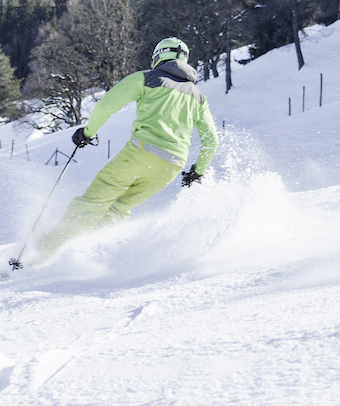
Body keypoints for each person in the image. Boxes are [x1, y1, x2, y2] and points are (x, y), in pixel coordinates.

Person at [39, 37, 219, 254]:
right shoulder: (198, 97)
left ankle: (43, 251)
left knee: (93, 202)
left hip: (141, 153)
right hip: (171, 166)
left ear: (159, 56)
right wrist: (197, 172)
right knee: (119, 209)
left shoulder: (148, 78)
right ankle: (82, 252)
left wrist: (87, 133)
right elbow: (211, 140)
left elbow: (106, 105)